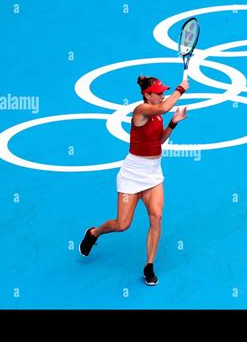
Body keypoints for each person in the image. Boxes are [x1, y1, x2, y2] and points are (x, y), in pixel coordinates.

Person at [79, 75, 189, 286]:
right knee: (122, 225)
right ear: (147, 95)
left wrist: (173, 124)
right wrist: (180, 89)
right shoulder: (141, 111)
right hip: (132, 176)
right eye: (158, 93)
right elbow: (165, 107)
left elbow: (158, 142)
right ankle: (94, 233)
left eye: (163, 91)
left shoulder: (157, 115)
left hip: (153, 175)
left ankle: (149, 266)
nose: (163, 95)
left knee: (156, 216)